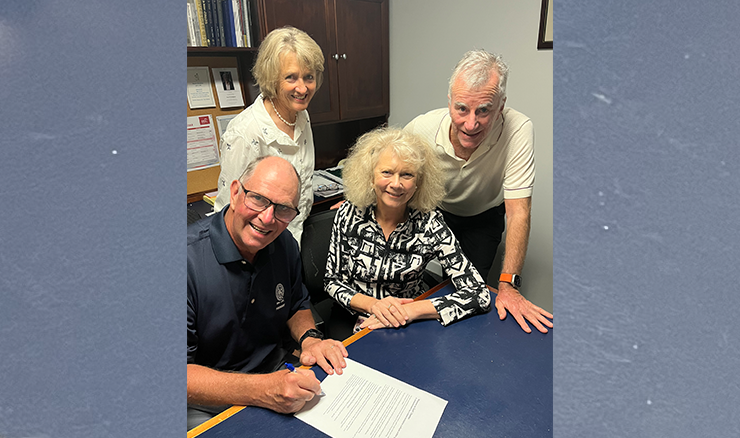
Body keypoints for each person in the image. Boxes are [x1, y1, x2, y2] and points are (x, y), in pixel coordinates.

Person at [187, 156, 348, 430]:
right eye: (259, 199)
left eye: (284, 209)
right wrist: (262, 390)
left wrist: (309, 339)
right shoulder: (183, 260)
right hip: (208, 401)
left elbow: (297, 303)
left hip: (278, 375)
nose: (267, 218)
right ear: (236, 193)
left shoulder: (283, 243)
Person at [404, 50, 553, 334]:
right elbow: (385, 159)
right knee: (408, 281)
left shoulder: (518, 129)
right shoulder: (424, 127)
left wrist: (508, 284)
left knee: (469, 296)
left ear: (501, 106)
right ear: (449, 102)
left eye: (483, 110)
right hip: (434, 212)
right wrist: (358, 199)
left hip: (483, 217)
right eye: (462, 108)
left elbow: (518, 211)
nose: (470, 124)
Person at [324, 127, 491, 337]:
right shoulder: (348, 214)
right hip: (352, 313)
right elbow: (332, 281)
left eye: (407, 174)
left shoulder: (431, 224)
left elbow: (479, 294)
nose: (396, 184)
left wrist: (411, 310)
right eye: (386, 172)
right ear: (370, 176)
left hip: (407, 321)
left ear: (418, 183)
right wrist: (374, 305)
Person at [214, 26, 324, 245]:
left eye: (308, 77)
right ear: (272, 78)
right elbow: (228, 209)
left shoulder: (301, 116)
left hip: (292, 241)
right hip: (257, 247)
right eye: (291, 78)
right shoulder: (245, 132)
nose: (302, 88)